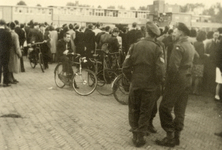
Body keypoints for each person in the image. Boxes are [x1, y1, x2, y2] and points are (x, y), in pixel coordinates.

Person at [122, 21, 165, 147]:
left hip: (135, 83)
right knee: (145, 110)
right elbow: (160, 71)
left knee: (134, 109)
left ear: (146, 32)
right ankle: (140, 137)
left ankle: (135, 134)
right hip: (150, 85)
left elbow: (125, 67)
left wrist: (132, 79)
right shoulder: (157, 48)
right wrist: (157, 82)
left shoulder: (134, 46)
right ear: (154, 35)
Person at [156, 22, 196, 147]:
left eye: (176, 30)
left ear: (181, 33)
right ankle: (177, 136)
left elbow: (173, 68)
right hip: (187, 78)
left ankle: (170, 136)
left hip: (177, 80)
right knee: (180, 109)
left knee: (164, 107)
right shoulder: (190, 45)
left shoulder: (178, 46)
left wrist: (167, 82)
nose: (173, 32)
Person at [192, 31, 206, 95]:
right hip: (199, 62)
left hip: (194, 61)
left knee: (193, 76)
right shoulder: (201, 44)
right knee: (198, 77)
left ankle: (190, 89)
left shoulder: (195, 43)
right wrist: (206, 55)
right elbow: (201, 54)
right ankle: (195, 90)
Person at [0, 19, 12, 87]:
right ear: (4, 25)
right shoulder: (7, 32)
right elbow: (10, 43)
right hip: (5, 52)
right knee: (5, 66)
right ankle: (5, 82)